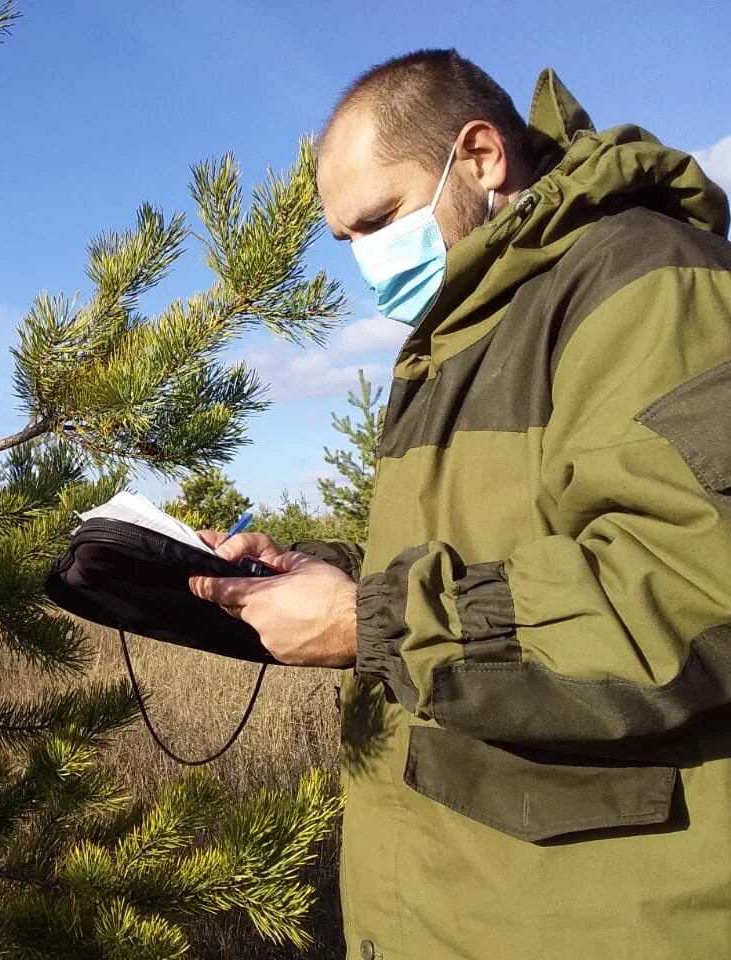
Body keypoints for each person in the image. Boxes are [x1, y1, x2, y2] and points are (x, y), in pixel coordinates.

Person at [189, 49, 731, 959]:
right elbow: (490, 550)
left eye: (381, 219)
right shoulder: (463, 331)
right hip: (459, 901)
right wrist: (329, 572)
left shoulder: (643, 278)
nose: (366, 263)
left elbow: (691, 591)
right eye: (345, 241)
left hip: (599, 913)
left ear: (480, 157)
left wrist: (375, 622)